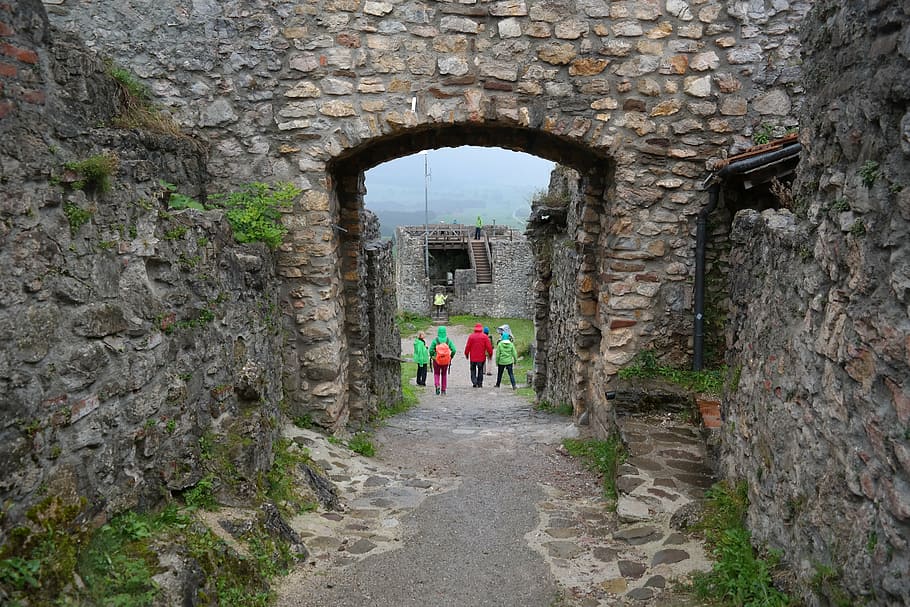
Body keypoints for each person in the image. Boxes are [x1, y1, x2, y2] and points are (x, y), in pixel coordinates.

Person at [429, 326, 457, 395]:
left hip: (436, 359)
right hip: (445, 360)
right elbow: (454, 350)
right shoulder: (448, 340)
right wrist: (451, 356)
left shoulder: (435, 340)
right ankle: (443, 390)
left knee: (436, 373)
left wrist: (432, 356)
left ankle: (437, 385)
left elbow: (430, 350)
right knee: (444, 374)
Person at [464, 323, 493, 388]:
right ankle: (479, 383)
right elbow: (489, 347)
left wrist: (466, 354)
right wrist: (490, 354)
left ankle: (474, 381)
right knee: (480, 370)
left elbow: (468, 346)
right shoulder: (485, 337)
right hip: (481, 357)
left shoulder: (471, 336)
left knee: (473, 369)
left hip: (473, 357)